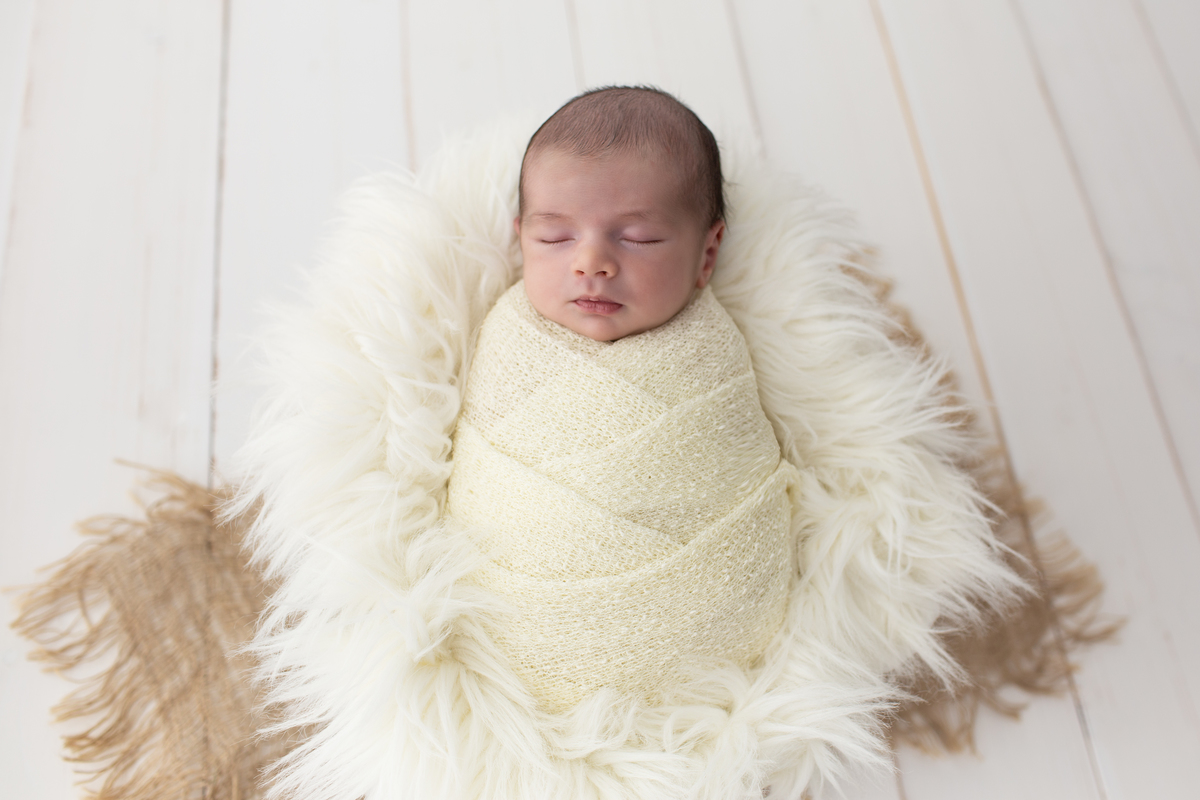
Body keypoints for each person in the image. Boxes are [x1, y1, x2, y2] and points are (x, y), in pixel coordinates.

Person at [444, 86, 797, 712]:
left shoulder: (712, 350)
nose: (592, 263)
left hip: (707, 634)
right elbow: (471, 474)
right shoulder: (508, 334)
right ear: (520, 237)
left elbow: (737, 460)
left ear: (706, 253)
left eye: (638, 238)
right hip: (514, 625)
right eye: (555, 239)